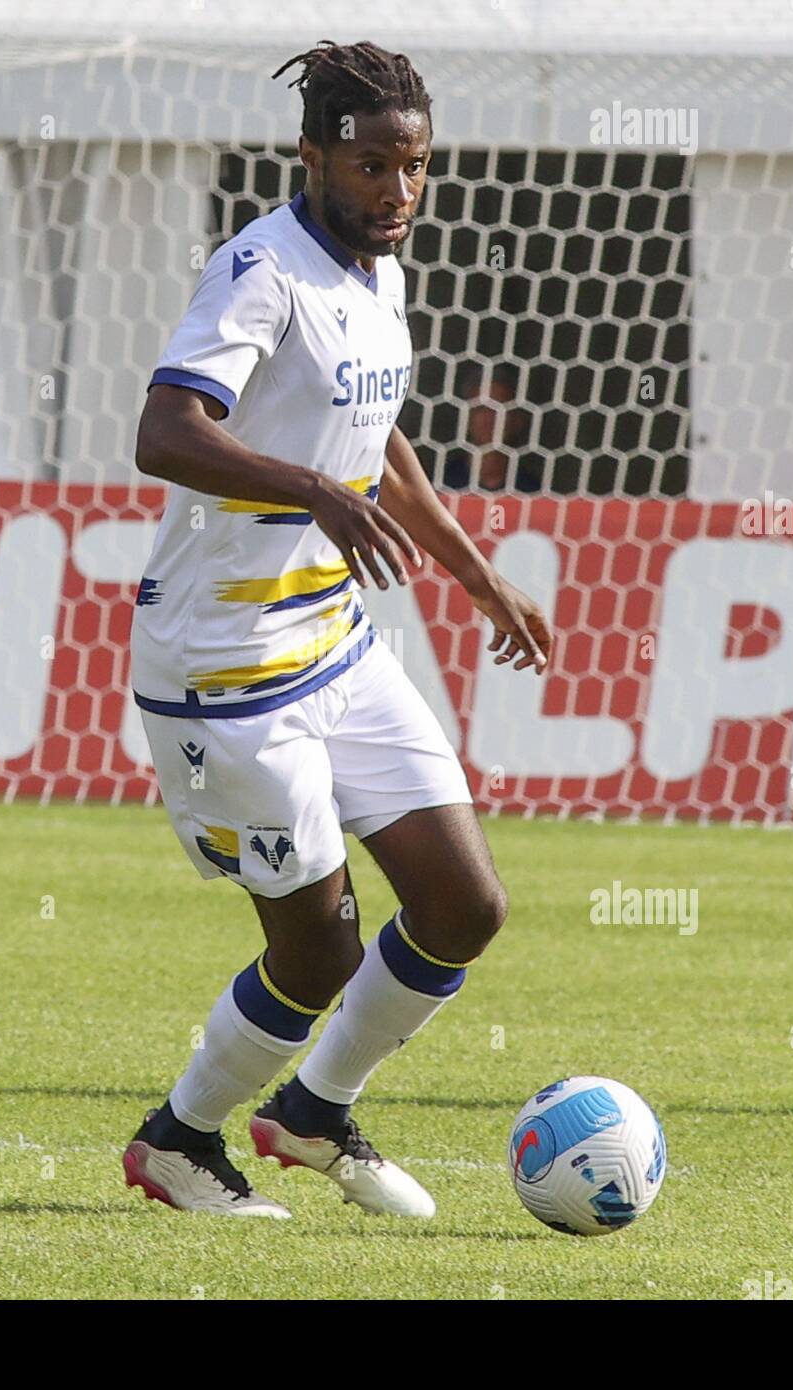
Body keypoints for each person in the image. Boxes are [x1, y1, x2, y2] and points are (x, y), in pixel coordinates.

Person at [126, 39, 552, 1219]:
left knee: (464, 906)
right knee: (315, 951)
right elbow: (165, 433)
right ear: (310, 155)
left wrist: (477, 574)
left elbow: (378, 434)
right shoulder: (259, 269)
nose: (397, 191)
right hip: (225, 668)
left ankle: (310, 1111)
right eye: (371, 166)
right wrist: (314, 493)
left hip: (335, 643)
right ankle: (178, 1140)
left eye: (413, 167)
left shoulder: (379, 268)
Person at [439, 362, 541, 491]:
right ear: (466, 416)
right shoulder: (443, 485)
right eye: (481, 409)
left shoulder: (530, 492)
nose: (489, 418)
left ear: (518, 419)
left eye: (499, 409)